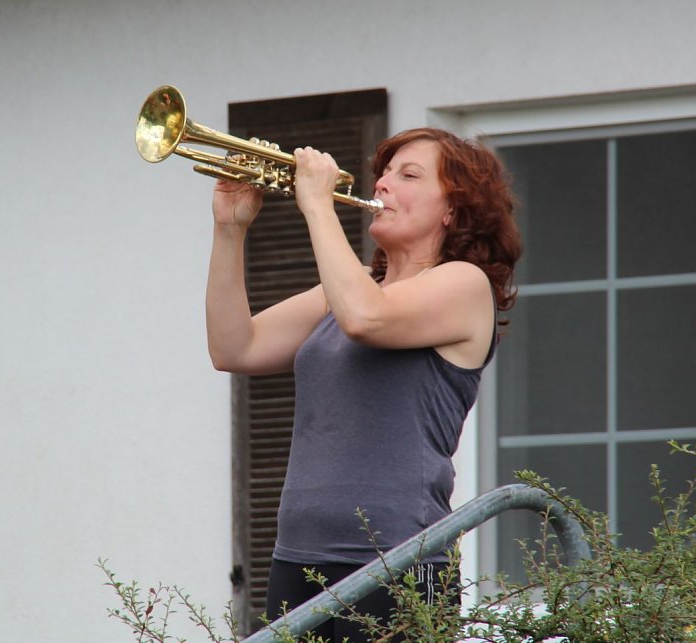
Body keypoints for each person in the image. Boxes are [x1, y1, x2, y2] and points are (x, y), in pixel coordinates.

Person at [205, 127, 522, 642]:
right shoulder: (350, 289)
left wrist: (316, 205)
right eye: (386, 172)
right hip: (297, 560)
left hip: (397, 559)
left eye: (409, 174)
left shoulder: (463, 284)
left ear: (453, 210)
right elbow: (233, 348)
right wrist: (229, 229)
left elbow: (365, 321)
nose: (385, 183)